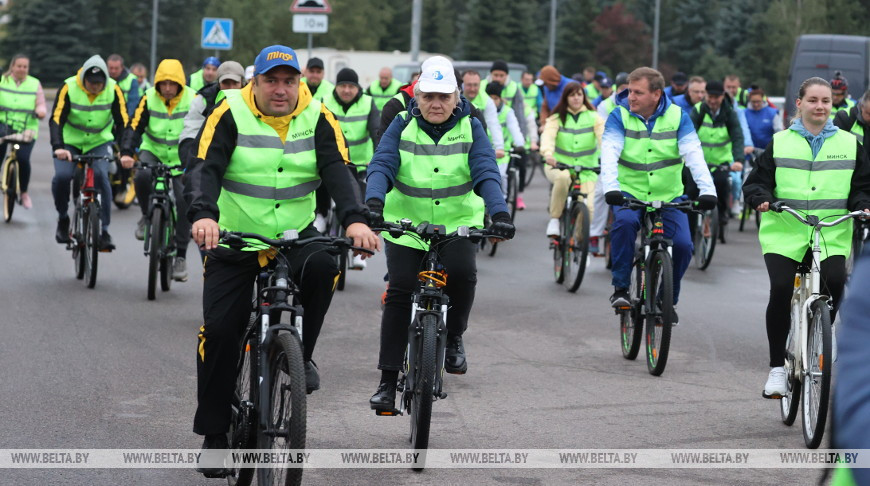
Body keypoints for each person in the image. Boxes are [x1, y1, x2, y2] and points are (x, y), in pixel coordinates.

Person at [186, 45, 380, 469]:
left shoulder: (318, 115)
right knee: (220, 331)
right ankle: (215, 435)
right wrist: (203, 215)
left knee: (327, 264)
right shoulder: (229, 110)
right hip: (237, 237)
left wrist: (355, 220)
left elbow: (339, 171)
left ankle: (299, 353)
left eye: (289, 81)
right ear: (255, 82)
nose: (281, 89)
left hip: (295, 233)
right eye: (271, 81)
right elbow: (205, 167)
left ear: (300, 83)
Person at [365, 59, 515, 412]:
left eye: (444, 97)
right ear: (416, 96)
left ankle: (455, 337)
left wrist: (500, 212)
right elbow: (382, 163)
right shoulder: (401, 124)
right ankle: (387, 381)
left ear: (456, 96)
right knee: (401, 289)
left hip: (456, 224)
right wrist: (372, 202)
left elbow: (486, 170)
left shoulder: (471, 126)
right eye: (429, 96)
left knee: (463, 274)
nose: (436, 104)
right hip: (406, 226)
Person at [742, 76, 870, 398]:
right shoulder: (780, 141)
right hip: (784, 230)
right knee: (782, 288)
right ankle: (776, 369)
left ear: (833, 104)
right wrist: (760, 197)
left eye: (826, 101)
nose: (820, 106)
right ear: (798, 104)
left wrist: (863, 206)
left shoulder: (849, 144)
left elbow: (862, 187)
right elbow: (757, 181)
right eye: (813, 100)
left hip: (831, 231)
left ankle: (824, 328)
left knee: (836, 280)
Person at [602, 67, 717, 318]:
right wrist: (611, 188)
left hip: (669, 196)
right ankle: (621, 287)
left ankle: (668, 300)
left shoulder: (678, 116)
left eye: (637, 92)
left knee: (685, 246)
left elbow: (694, 155)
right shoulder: (619, 115)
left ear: (656, 94)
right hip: (628, 194)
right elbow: (609, 153)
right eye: (630, 91)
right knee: (623, 224)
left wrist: (708, 190)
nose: (630, 96)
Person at [120, 59, 194, 281]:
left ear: (180, 83)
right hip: (153, 150)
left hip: (182, 156)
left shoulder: (194, 98)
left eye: (173, 83)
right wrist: (126, 152)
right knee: (141, 177)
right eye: (164, 83)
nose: (168, 88)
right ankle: (145, 216)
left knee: (183, 200)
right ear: (158, 83)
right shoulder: (148, 97)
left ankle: (180, 255)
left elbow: (203, 129)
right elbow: (135, 125)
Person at [50, 55, 128, 250]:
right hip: (70, 142)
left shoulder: (113, 88)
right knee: (62, 176)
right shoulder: (69, 87)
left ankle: (105, 230)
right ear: (83, 78)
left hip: (99, 142)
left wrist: (123, 150)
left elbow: (123, 122)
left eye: (100, 83)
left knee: (102, 175)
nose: (96, 86)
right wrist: (58, 146)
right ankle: (63, 218)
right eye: (91, 83)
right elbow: (56, 118)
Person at [324, 67, 379, 270]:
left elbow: (376, 131)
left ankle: (359, 248)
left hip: (360, 164)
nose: (346, 90)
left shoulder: (368, 103)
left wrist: (378, 158)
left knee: (361, 196)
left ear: (358, 88)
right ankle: (321, 217)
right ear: (336, 87)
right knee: (321, 189)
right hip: (331, 162)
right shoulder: (323, 101)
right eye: (342, 86)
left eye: (351, 87)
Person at [540, 82, 603, 237]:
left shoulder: (594, 117)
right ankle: (554, 219)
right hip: (558, 166)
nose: (576, 98)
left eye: (579, 94)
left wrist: (608, 157)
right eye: (572, 95)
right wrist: (548, 154)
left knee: (588, 208)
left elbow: (604, 139)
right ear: (566, 98)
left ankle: (580, 243)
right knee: (562, 178)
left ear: (584, 97)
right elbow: (548, 136)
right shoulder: (556, 118)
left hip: (587, 170)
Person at [689, 80, 744, 233]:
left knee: (722, 184)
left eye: (716, 97)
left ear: (722, 97)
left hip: (721, 161)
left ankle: (721, 215)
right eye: (710, 97)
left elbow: (737, 137)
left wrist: (738, 160)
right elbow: (689, 134)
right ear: (706, 96)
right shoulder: (698, 110)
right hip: (699, 161)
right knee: (692, 191)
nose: (713, 101)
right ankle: (691, 226)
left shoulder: (729, 113)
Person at [178, 61, 246, 172]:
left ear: (243, 84)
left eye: (235, 83)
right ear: (218, 84)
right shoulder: (203, 100)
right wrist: (188, 163)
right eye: (226, 83)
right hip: (212, 160)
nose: (231, 88)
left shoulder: (255, 100)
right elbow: (191, 131)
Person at [0, 53, 47, 210]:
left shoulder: (34, 83)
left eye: (25, 66)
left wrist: (40, 112)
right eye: (19, 66)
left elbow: (40, 104)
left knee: (23, 159)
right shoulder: (3, 81)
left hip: (27, 128)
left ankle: (24, 193)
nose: (22, 69)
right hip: (4, 125)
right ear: (12, 66)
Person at [485, 81, 525, 198]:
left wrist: (520, 143)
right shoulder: (482, 110)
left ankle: (503, 199)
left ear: (501, 99)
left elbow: (515, 128)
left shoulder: (508, 112)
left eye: (496, 98)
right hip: (486, 150)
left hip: (503, 152)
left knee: (501, 175)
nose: (493, 101)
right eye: (490, 98)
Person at [461, 70, 504, 156]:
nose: (472, 89)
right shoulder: (455, 99)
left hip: (479, 141)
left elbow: (493, 124)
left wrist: (499, 147)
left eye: (475, 85)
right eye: (469, 85)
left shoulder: (487, 101)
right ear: (462, 85)